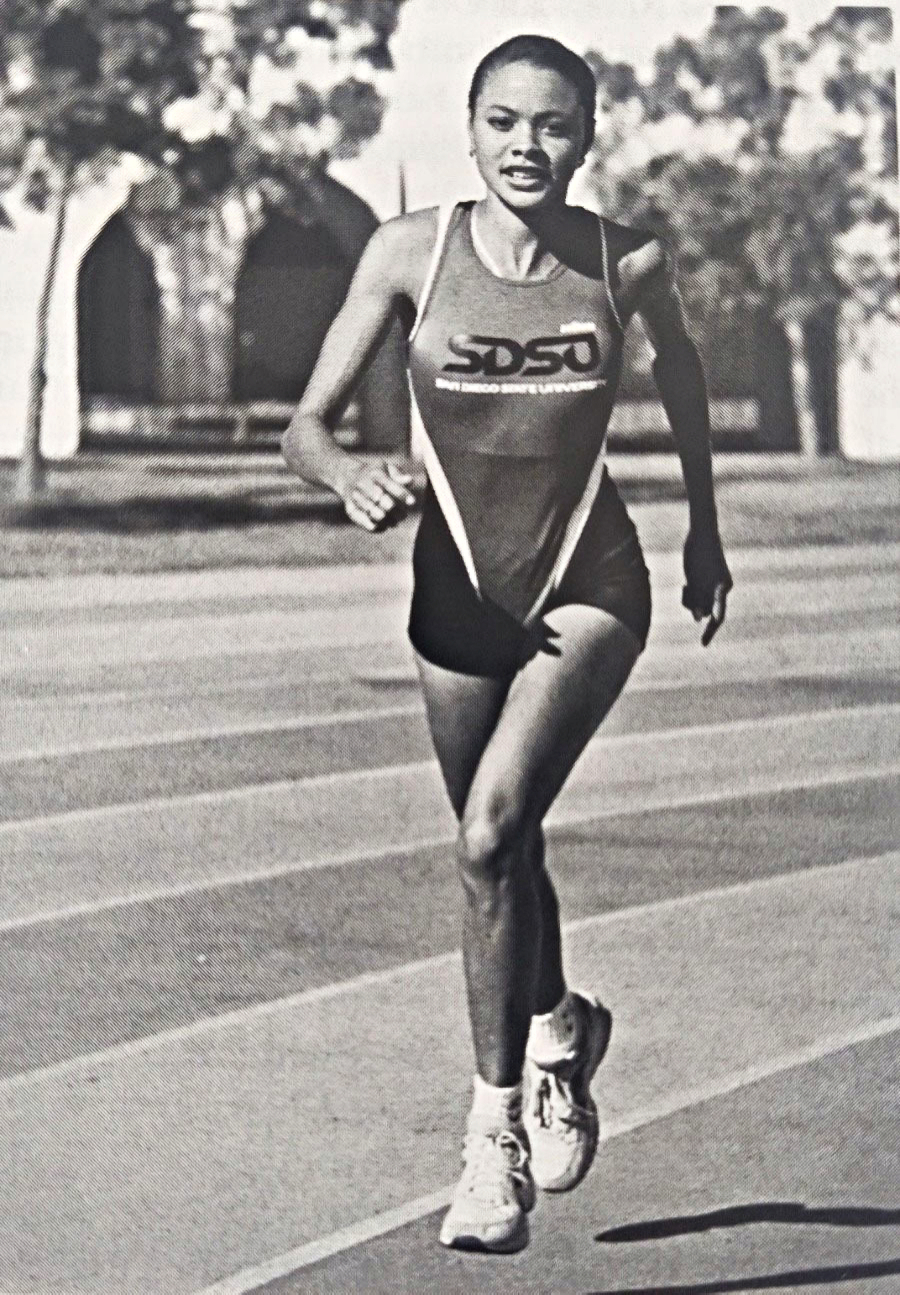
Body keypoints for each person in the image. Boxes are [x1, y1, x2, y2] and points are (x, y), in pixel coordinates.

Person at [282, 34, 732, 1255]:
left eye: (553, 125)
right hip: (457, 590)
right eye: (504, 122)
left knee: (488, 830)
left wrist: (703, 528)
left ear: (586, 135)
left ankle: (491, 1145)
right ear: (471, 128)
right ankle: (560, 1026)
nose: (527, 146)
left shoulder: (621, 258)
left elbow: (682, 369)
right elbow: (304, 426)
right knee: (502, 850)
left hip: (592, 575)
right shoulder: (405, 254)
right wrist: (348, 477)